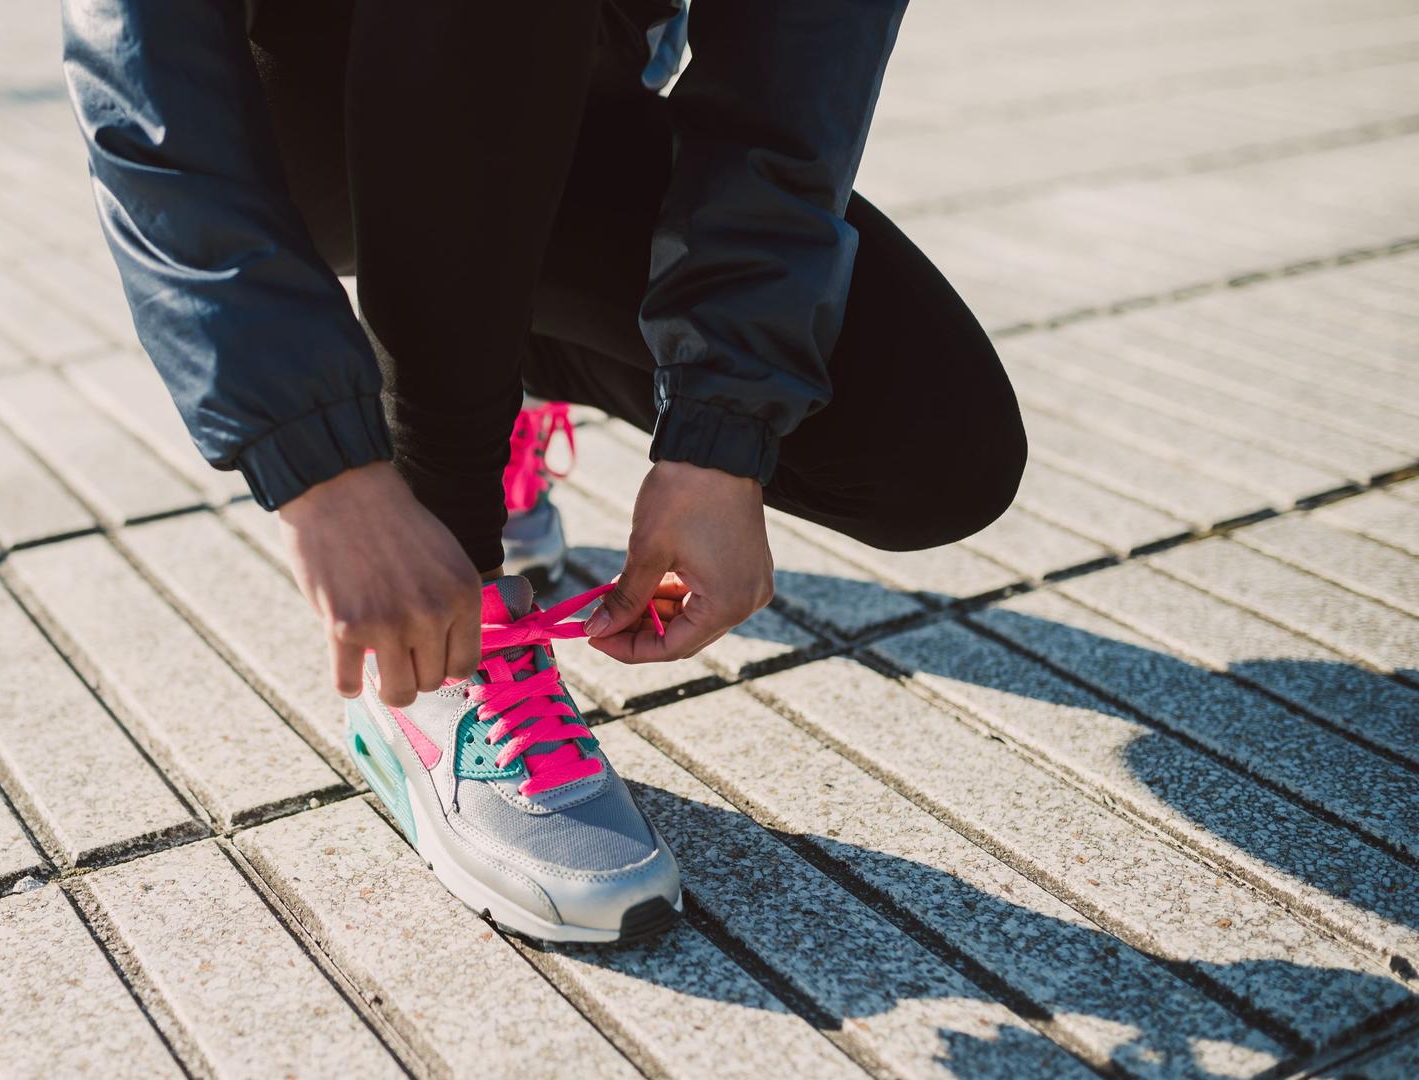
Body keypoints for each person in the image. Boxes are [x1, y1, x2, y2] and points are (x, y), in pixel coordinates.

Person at [60, 0, 1026, 942]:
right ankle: (445, 634)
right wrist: (322, 467)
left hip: (559, 87)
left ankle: (493, 375)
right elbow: (144, 77)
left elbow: (792, 95)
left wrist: (720, 431)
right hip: (291, 101)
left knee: (935, 451)